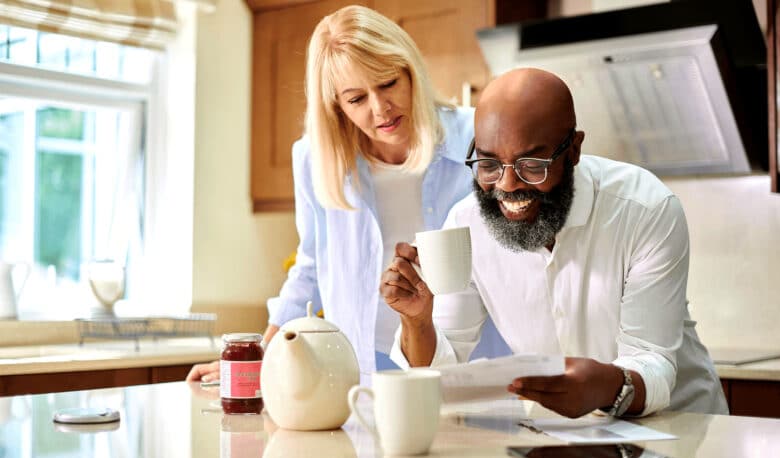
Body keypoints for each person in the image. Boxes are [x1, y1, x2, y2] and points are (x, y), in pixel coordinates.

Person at [186, 5, 509, 383]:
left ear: (410, 71)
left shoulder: (477, 138)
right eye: (356, 99)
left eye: (388, 83)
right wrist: (261, 355)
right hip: (363, 363)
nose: (380, 108)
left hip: (471, 361)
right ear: (336, 106)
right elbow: (310, 268)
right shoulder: (315, 159)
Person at [381, 68, 728, 418]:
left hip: (684, 428)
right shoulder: (465, 224)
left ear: (573, 150)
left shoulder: (644, 209)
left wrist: (605, 385)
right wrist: (418, 321)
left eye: (531, 164)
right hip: (566, 434)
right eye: (489, 163)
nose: (508, 184)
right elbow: (443, 368)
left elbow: (653, 360)